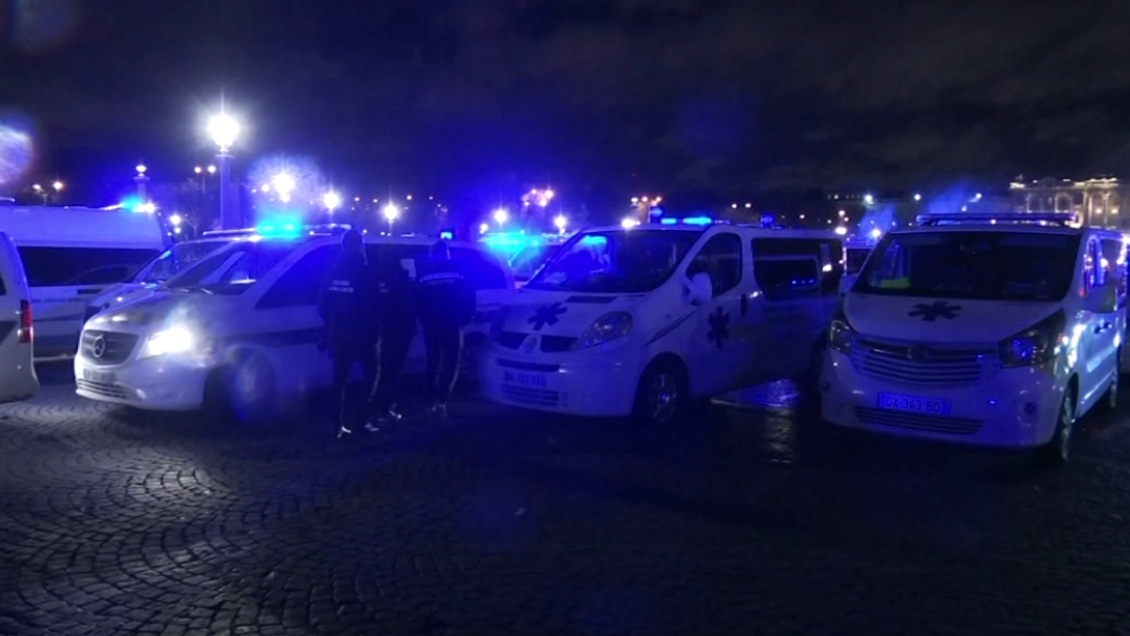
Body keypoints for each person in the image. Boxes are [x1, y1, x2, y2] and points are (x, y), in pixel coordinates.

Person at [317, 229, 380, 436]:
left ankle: (337, 425)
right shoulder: (365, 271)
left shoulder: (332, 271)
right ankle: (361, 421)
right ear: (359, 245)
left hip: (339, 334)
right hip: (363, 335)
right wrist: (375, 330)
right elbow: (373, 304)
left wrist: (330, 325)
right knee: (371, 375)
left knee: (339, 381)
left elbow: (323, 304)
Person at [417, 241, 476, 417]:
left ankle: (428, 402)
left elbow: (418, 299)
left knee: (432, 363)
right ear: (447, 253)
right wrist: (466, 318)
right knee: (451, 364)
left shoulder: (425, 273)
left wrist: (423, 318)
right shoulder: (458, 272)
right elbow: (469, 296)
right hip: (452, 323)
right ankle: (442, 401)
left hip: (432, 325)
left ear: (432, 255)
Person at [366, 254, 419, 430]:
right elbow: (410, 307)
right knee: (391, 373)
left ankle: (375, 410)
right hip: (399, 333)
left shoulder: (373, 279)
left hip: (380, 333)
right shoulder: (402, 280)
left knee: (378, 373)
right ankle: (384, 409)